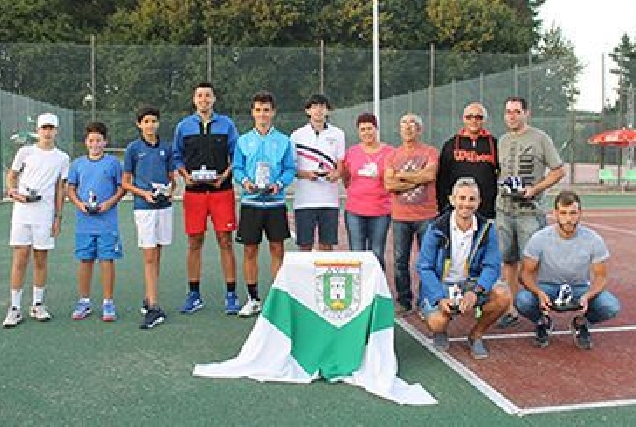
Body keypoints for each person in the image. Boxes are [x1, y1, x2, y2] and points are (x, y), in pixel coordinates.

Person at [417, 177, 509, 359]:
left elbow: (492, 266)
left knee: (503, 296)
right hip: (442, 285)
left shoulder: (487, 229)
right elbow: (424, 267)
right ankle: (440, 331)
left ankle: (476, 335)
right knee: (437, 322)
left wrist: (476, 291)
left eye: (472, 199)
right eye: (462, 198)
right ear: (452, 200)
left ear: (479, 202)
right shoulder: (436, 228)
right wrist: (439, 297)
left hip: (471, 284)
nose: (466, 204)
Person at [516, 190, 620, 349]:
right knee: (522, 300)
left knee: (610, 306)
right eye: (563, 213)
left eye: (573, 213)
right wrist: (539, 292)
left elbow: (601, 277)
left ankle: (581, 323)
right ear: (555, 213)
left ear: (580, 213)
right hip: (547, 287)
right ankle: (543, 321)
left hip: (579, 288)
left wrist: (588, 295)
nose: (568, 219)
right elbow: (526, 273)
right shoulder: (539, 238)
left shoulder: (593, 239)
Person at [495, 96, 565, 328]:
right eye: (508, 112)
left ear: (527, 113)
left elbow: (558, 171)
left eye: (516, 111)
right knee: (508, 261)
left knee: (532, 265)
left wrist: (534, 189)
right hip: (504, 210)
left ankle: (541, 313)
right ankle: (512, 308)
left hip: (529, 213)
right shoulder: (502, 140)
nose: (512, 116)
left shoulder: (540, 138)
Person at [172, 82, 240, 315]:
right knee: (194, 242)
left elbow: (236, 155)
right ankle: (194, 294)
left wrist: (224, 175)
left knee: (225, 240)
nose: (204, 100)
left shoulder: (227, 124)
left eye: (208, 96)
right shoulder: (184, 126)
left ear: (213, 99)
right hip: (194, 194)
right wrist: (185, 176)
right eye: (200, 96)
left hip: (222, 191)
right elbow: (177, 156)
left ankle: (231, 294)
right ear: (194, 100)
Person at [3, 113, 70, 328]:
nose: (47, 132)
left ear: (56, 130)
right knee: (20, 259)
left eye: (51, 128)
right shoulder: (25, 152)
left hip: (45, 214)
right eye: (44, 128)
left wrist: (58, 217)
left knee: (41, 260)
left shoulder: (62, 157)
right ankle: (14, 309)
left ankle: (37, 305)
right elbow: (12, 176)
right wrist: (14, 193)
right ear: (38, 130)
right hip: (22, 213)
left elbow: (61, 188)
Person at [233, 91, 296, 316]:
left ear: (273, 113)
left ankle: (277, 300)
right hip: (251, 202)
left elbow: (290, 169)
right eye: (258, 110)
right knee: (250, 250)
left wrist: (279, 184)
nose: (262, 114)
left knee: (277, 249)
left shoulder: (283, 140)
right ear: (252, 113)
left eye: (266, 110)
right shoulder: (243, 140)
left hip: (275, 203)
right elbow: (238, 168)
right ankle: (253, 299)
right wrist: (246, 182)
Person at [122, 107, 176, 329]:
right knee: (149, 256)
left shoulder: (166, 148)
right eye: (146, 121)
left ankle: (149, 297)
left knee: (158, 253)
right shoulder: (133, 149)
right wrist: (144, 193)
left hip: (164, 208)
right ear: (139, 124)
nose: (151, 125)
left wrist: (169, 190)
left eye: (154, 121)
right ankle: (154, 307)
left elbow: (172, 179)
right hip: (144, 208)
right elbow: (125, 182)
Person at [67, 122, 125, 322]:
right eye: (91, 140)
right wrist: (80, 205)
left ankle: (108, 302)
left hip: (107, 223)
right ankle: (84, 301)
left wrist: (109, 203)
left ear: (105, 142)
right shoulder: (77, 164)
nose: (95, 144)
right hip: (85, 223)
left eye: (98, 140)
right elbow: (71, 189)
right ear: (86, 142)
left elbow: (122, 188)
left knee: (107, 260)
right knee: (85, 260)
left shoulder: (113, 163)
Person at [384, 114, 438, 315]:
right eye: (404, 124)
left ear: (420, 130)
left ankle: (426, 301)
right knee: (400, 261)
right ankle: (404, 300)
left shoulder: (431, 152)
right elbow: (389, 184)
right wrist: (418, 178)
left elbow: (430, 175)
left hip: (426, 215)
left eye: (413, 125)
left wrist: (401, 176)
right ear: (400, 130)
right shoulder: (392, 155)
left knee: (427, 261)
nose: (408, 128)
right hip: (400, 216)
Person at [290, 94, 345, 251]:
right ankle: (305, 277)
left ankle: (324, 276)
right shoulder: (296, 135)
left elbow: (340, 166)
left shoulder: (338, 134)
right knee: (304, 246)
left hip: (329, 201)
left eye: (322, 106)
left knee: (326, 246)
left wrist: (336, 174)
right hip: (304, 201)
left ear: (327, 110)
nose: (318, 110)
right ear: (308, 111)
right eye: (314, 106)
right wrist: (307, 174)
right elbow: (292, 168)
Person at [342, 113, 394, 270]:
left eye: (370, 128)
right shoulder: (352, 152)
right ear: (358, 132)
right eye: (362, 129)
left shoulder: (390, 152)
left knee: (376, 252)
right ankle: (359, 291)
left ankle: (376, 290)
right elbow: (346, 176)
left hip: (380, 210)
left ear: (376, 129)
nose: (367, 133)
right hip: (355, 210)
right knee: (356, 253)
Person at [436, 102, 499, 219]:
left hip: (486, 209)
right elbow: (442, 178)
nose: (473, 120)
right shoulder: (450, 144)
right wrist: (443, 206)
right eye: (469, 117)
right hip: (458, 208)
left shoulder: (494, 144)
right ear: (463, 119)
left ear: (484, 120)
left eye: (478, 117)